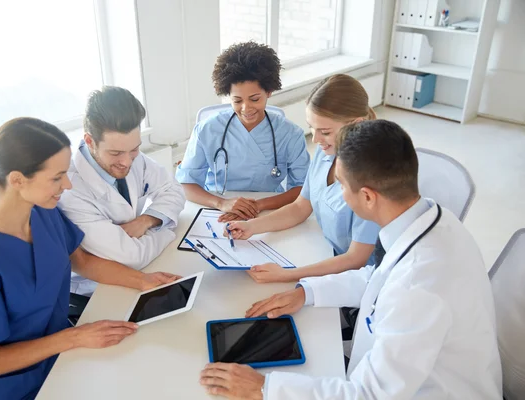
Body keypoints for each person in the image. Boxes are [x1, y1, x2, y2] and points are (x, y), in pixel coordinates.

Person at [200, 120, 502, 399]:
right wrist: (308, 292)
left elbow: (369, 395)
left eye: (341, 184)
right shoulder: (431, 219)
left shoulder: (418, 287)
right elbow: (379, 277)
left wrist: (265, 389)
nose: (338, 193)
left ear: (368, 197)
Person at [0, 118, 179, 400]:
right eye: (56, 177)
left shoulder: (42, 213)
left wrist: (144, 281)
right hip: (16, 387)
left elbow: (83, 261)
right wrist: (75, 337)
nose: (67, 184)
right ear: (17, 179)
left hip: (64, 358)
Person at [227, 74, 380, 283]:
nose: (315, 139)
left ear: (356, 124)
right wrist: (253, 226)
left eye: (325, 131)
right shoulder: (327, 151)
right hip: (320, 250)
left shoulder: (372, 179)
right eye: (312, 128)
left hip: (355, 278)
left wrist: (289, 275)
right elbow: (300, 207)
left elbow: (356, 260)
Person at [58, 86, 186, 295]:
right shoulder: (71, 190)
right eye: (116, 153)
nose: (127, 162)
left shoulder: (130, 156)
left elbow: (172, 188)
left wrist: (146, 221)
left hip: (147, 268)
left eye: (134, 149)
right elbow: (130, 257)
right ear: (90, 141)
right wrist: (168, 230)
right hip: (98, 291)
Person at [175, 41, 310, 223]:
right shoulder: (207, 129)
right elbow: (186, 184)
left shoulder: (290, 134)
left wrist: (258, 206)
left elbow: (303, 188)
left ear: (269, 91)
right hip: (215, 208)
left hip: (269, 208)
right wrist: (221, 203)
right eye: (237, 100)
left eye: (254, 99)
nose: (246, 108)